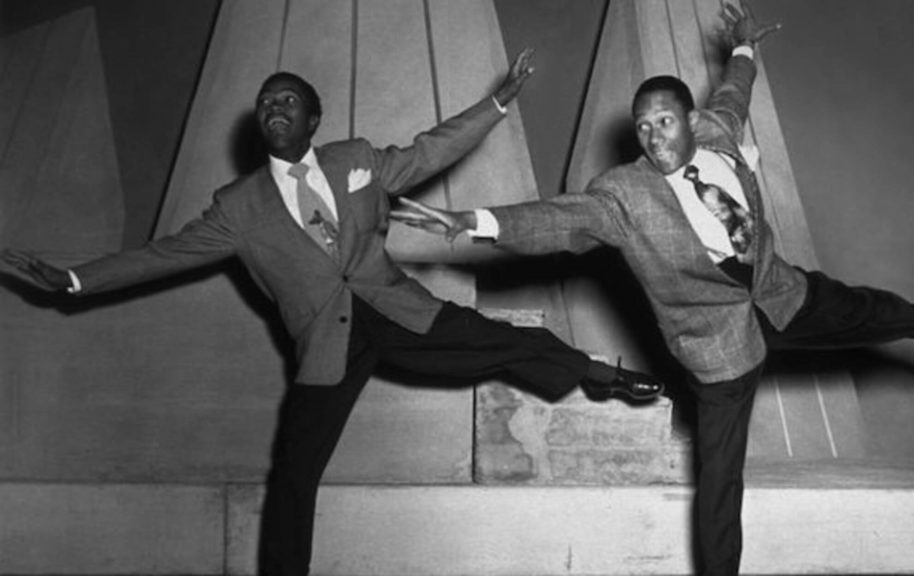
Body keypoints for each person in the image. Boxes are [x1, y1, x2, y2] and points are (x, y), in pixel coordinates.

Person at [389, 4, 914, 576]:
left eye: (664, 121)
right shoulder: (621, 196)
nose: (654, 136)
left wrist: (742, 50)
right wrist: (473, 222)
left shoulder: (715, 132)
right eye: (643, 127)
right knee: (719, 481)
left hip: (780, 295)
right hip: (715, 347)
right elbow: (556, 218)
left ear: (687, 120)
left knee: (870, 309)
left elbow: (733, 95)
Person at [1, 49, 666, 576]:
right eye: (266, 102)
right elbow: (163, 254)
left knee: (504, 339)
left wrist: (495, 103)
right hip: (327, 343)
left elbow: (429, 149)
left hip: (396, 309)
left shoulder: (355, 161)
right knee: (293, 477)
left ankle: (602, 377)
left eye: (287, 99)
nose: (274, 107)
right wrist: (75, 280)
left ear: (312, 119)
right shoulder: (237, 206)